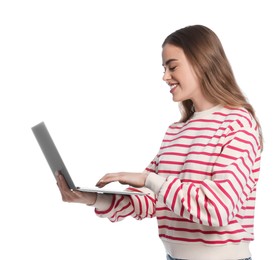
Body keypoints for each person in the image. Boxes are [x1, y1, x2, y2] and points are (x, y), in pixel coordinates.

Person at [56, 24, 263, 260]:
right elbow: (151, 199)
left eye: (172, 66)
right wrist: (91, 198)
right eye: (164, 68)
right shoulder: (175, 131)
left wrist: (149, 179)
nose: (165, 77)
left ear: (202, 62)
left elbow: (218, 209)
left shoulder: (237, 124)